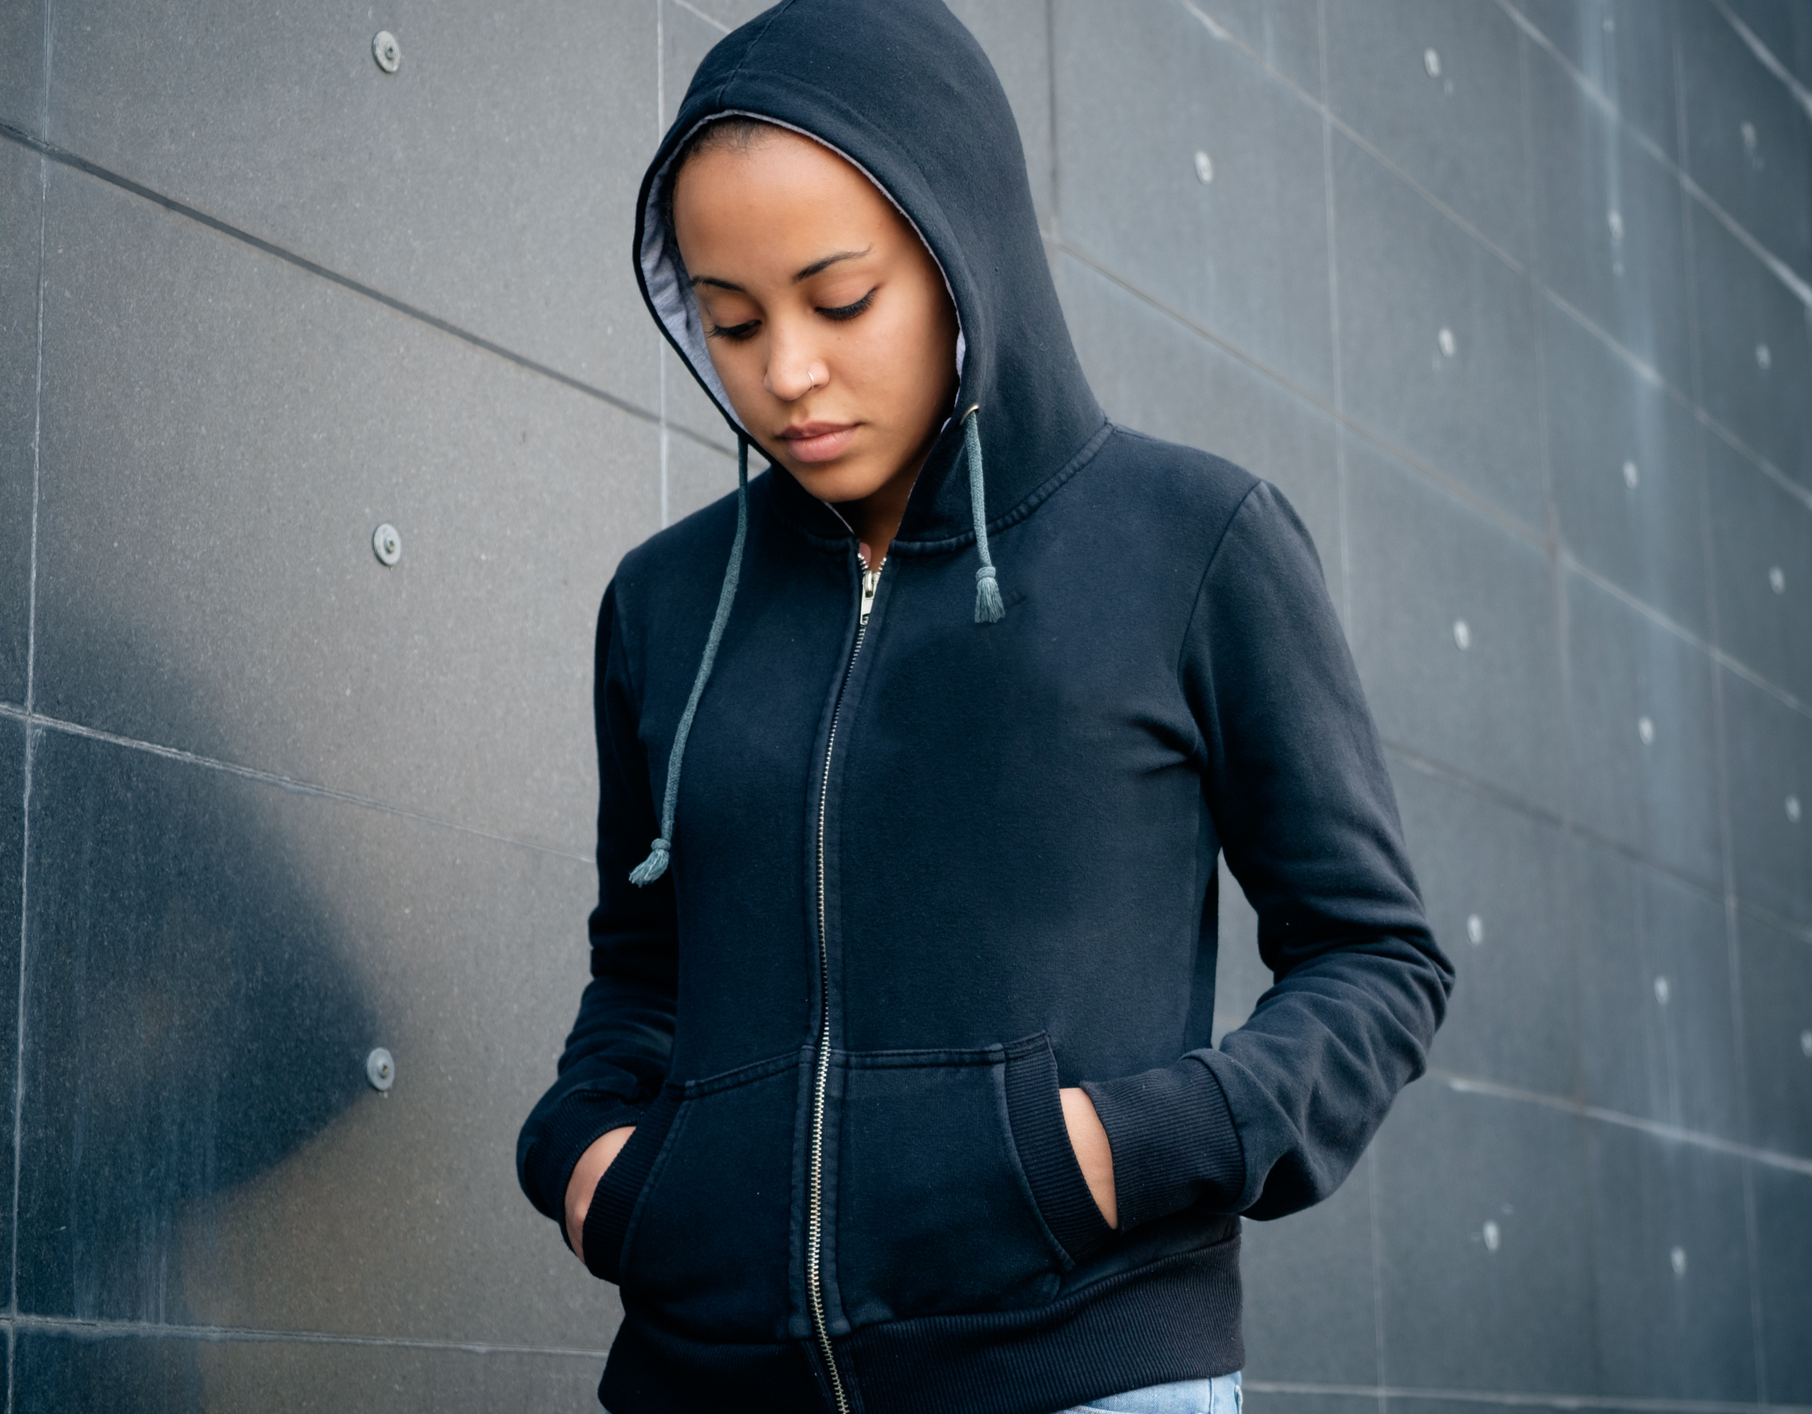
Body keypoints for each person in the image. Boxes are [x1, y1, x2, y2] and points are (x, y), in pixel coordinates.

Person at [515, 2, 1452, 1410]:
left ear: (968, 253)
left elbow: (1374, 956)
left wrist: (1108, 1151)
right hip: (703, 1381)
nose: (786, 371)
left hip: (1077, 1367)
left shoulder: (1191, 543)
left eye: (840, 301)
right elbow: (642, 968)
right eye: (729, 319)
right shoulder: (665, 604)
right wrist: (592, 1159)